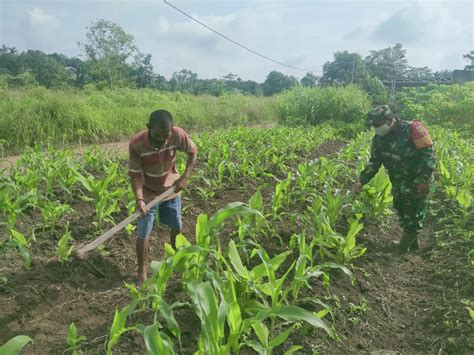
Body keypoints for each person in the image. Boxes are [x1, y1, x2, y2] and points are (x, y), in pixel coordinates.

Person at [353, 105, 436, 254]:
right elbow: (374, 162)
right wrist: (361, 180)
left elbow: (428, 156)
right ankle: (412, 243)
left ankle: (401, 251)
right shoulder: (379, 139)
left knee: (413, 215)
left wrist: (424, 180)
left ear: (390, 120)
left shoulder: (413, 129)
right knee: (402, 211)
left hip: (418, 180)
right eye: (375, 126)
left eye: (379, 125)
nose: (377, 129)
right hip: (398, 181)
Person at [128, 109, 197, 284]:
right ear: (148, 127)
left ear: (171, 129)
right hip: (148, 191)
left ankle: (175, 259)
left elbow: (193, 151)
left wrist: (185, 177)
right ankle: (142, 270)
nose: (163, 140)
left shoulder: (176, 135)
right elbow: (135, 174)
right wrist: (139, 199)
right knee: (143, 231)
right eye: (158, 135)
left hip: (171, 188)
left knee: (176, 224)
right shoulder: (137, 143)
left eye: (166, 135)